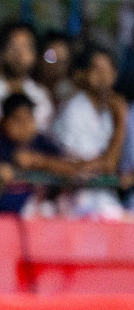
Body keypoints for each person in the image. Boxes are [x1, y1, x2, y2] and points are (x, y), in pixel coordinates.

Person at [52, 43, 126, 218]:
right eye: (97, 70)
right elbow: (104, 166)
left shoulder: (110, 111)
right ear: (84, 74)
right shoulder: (74, 109)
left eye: (108, 70)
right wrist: (121, 122)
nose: (103, 76)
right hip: (77, 200)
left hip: (104, 198)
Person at [0, 92, 74, 214]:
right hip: (3, 213)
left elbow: (68, 167)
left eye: (29, 118)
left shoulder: (41, 142)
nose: (25, 125)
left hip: (38, 215)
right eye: (18, 120)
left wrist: (40, 161)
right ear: (4, 122)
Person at [0, 22, 54, 129]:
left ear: (34, 54)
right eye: (13, 46)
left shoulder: (42, 98)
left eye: (25, 47)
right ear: (1, 51)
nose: (19, 54)